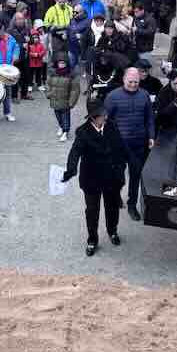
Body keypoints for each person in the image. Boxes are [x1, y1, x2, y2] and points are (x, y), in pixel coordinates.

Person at [61, 99, 127, 256]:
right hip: (91, 179)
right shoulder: (83, 132)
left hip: (111, 177)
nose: (105, 117)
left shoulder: (112, 126)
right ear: (93, 117)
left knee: (112, 207)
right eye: (101, 115)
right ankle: (92, 239)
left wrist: (128, 163)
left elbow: (121, 147)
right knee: (92, 210)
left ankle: (112, 231)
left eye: (104, 113)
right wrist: (70, 169)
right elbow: (75, 153)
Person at [104, 67, 155, 222]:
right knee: (117, 175)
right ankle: (116, 196)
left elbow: (149, 118)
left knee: (135, 176)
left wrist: (151, 136)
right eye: (131, 82)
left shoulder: (144, 95)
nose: (133, 85)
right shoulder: (112, 97)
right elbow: (105, 120)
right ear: (124, 80)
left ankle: (132, 205)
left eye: (136, 82)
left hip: (138, 144)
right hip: (119, 145)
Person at [47, 53, 80, 142]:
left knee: (65, 116)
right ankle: (61, 127)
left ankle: (65, 132)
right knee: (58, 115)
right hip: (54, 99)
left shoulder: (71, 75)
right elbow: (48, 84)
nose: (61, 65)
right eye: (60, 63)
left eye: (63, 63)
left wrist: (71, 102)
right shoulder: (53, 73)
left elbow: (75, 90)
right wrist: (49, 93)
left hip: (65, 100)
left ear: (67, 64)